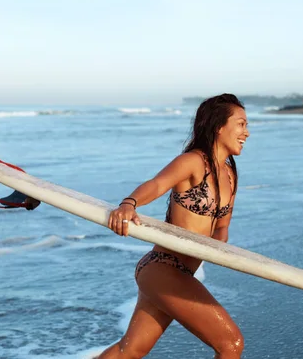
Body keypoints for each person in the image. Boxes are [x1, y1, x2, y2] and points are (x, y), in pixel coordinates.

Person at [98, 94, 250, 359]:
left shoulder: (230, 174)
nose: (246, 133)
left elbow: (221, 229)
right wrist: (129, 203)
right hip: (163, 268)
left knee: (129, 351)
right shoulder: (194, 162)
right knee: (231, 344)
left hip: (179, 274)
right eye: (241, 124)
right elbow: (157, 184)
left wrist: (219, 251)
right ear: (219, 126)